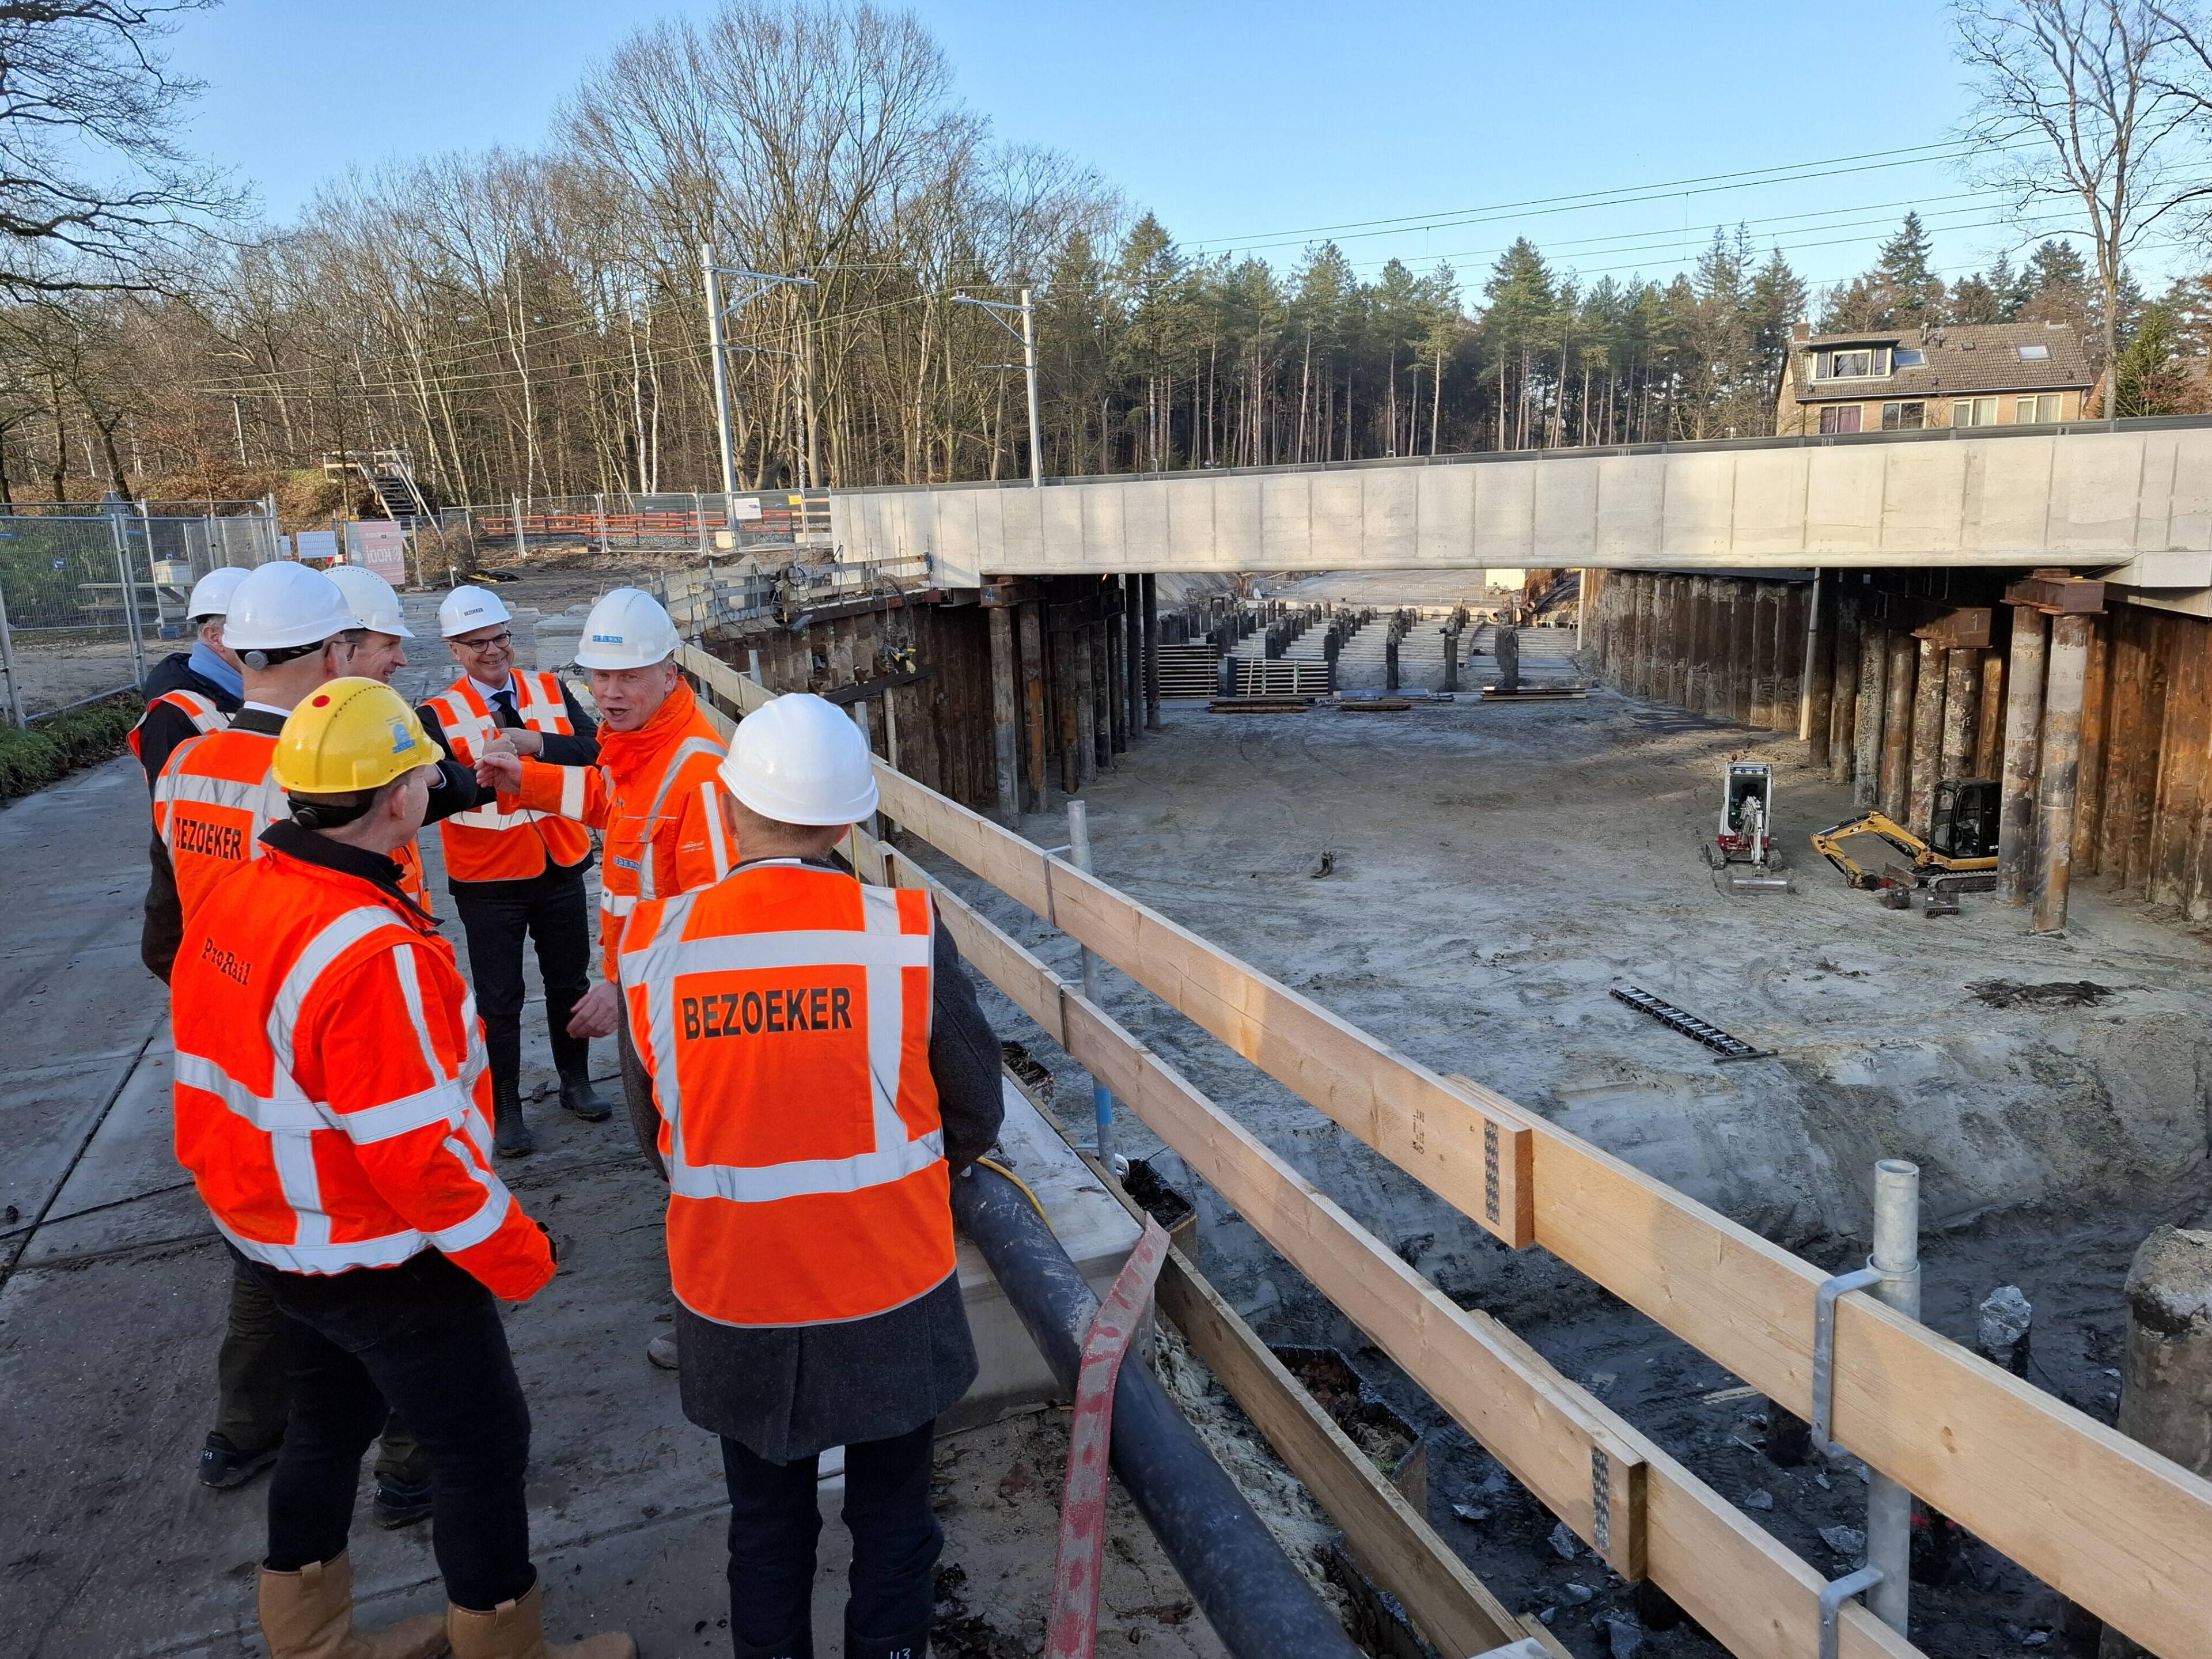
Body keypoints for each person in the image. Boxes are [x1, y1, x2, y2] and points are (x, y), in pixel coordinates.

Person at [168, 677, 633, 1659]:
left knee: (325, 1429)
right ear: (396, 805)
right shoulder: (374, 953)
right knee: (480, 1447)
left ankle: (309, 1641)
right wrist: (522, 1255)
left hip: (273, 1236)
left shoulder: (245, 893)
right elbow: (424, 1164)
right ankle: (506, 1647)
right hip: (381, 1257)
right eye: (421, 779)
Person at [615, 692, 1005, 1659]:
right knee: (895, 1528)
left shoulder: (654, 947)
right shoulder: (902, 933)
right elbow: (977, 1104)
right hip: (886, 1290)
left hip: (734, 1297)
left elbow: (657, 1136)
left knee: (767, 1532)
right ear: (847, 820)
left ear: (729, 803)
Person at [149, 561, 469, 1516]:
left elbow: (161, 923)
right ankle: (416, 1458)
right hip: (330, 1029)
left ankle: (242, 1432)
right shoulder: (304, 774)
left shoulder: (188, 764)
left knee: (266, 1251)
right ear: (332, 654)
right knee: (402, 1252)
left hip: (228, 1033)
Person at [473, 586, 729, 1370]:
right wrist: (524, 776)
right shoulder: (646, 748)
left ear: (669, 672)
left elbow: (713, 921)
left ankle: (717, 1319)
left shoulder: (698, 770)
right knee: (667, 1155)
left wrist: (622, 985)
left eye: (627, 678)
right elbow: (614, 808)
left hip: (679, 1009)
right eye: (599, 679)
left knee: (696, 1163)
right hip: (648, 998)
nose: (609, 694)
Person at [416, 585, 605, 1156]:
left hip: (561, 860)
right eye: (478, 644)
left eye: (500, 638)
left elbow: (596, 751)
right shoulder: (435, 715)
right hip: (488, 879)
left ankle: (577, 1082)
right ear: (455, 650)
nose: (494, 651)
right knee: (500, 999)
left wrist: (536, 744)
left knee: (568, 982)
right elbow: (430, 796)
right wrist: (489, 773)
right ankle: (506, 1109)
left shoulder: (549, 690)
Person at [325, 563, 436, 913]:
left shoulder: (371, 715)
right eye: (389, 645)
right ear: (342, 647)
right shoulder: (312, 742)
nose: (401, 660)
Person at [130, 565, 248, 790]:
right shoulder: (172, 717)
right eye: (251, 626)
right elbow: (174, 813)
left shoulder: (240, 690)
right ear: (215, 637)